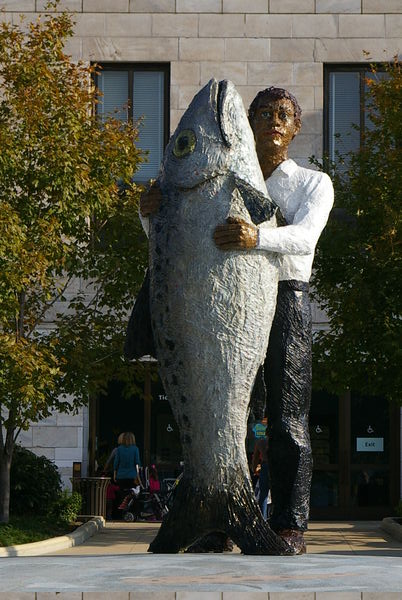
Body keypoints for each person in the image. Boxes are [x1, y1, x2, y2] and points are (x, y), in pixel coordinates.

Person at [135, 86, 334, 555]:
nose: (273, 121)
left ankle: (289, 523)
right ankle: (217, 522)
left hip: (285, 297)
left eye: (284, 114)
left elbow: (305, 238)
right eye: (263, 113)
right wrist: (150, 216)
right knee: (230, 412)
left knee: (286, 419)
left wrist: (256, 237)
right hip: (231, 306)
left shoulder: (312, 183)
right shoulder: (227, 175)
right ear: (248, 123)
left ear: (296, 127)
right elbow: (186, 236)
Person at [251, 427, 270, 519]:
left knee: (263, 494)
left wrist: (254, 469)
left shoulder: (261, 442)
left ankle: (263, 518)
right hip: (277, 467)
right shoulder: (278, 442)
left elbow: (255, 458)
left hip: (265, 466)